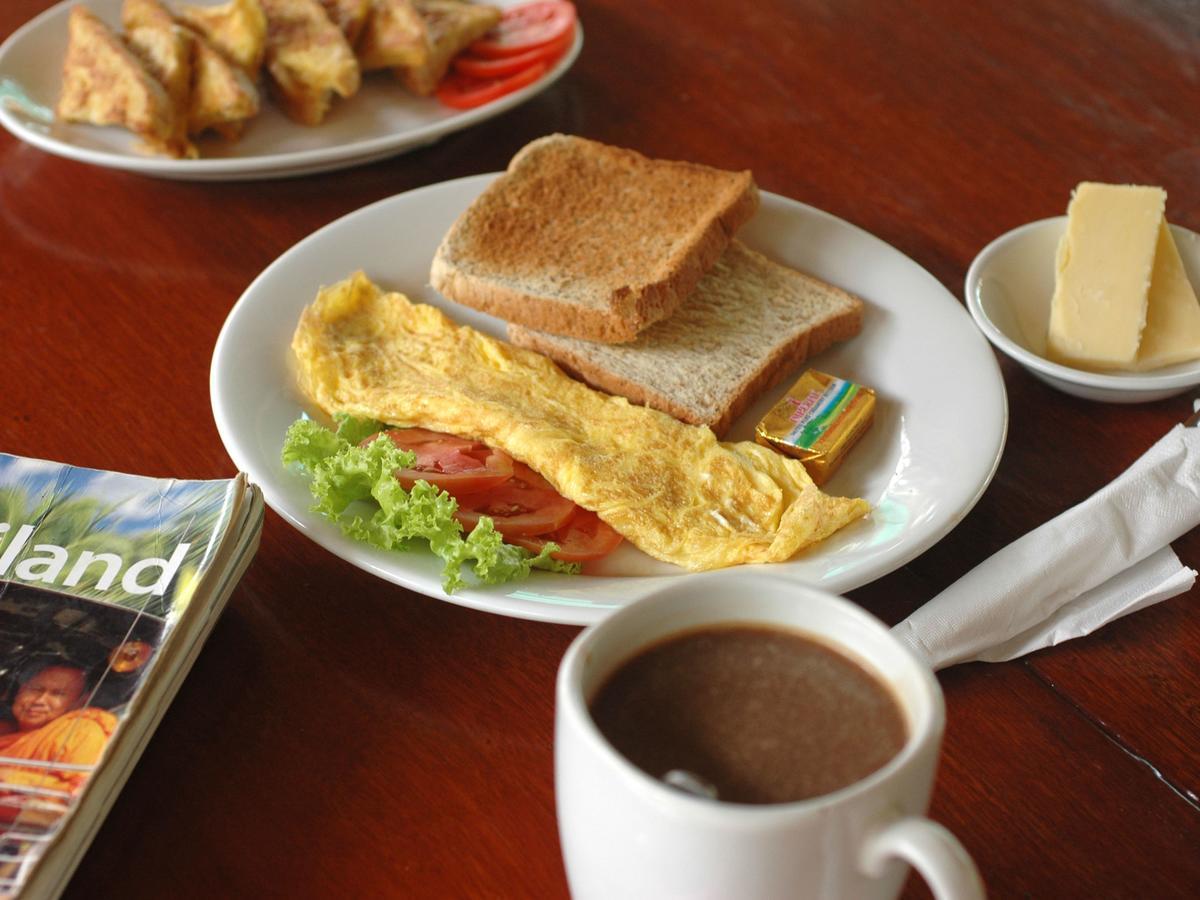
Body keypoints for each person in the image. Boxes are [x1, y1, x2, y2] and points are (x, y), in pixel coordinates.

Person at [0, 661, 117, 798]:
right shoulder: (6, 730)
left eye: (57, 694)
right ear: (19, 692)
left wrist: (12, 777)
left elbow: (78, 792)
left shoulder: (81, 731)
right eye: (35, 689)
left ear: (81, 702)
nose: (40, 700)